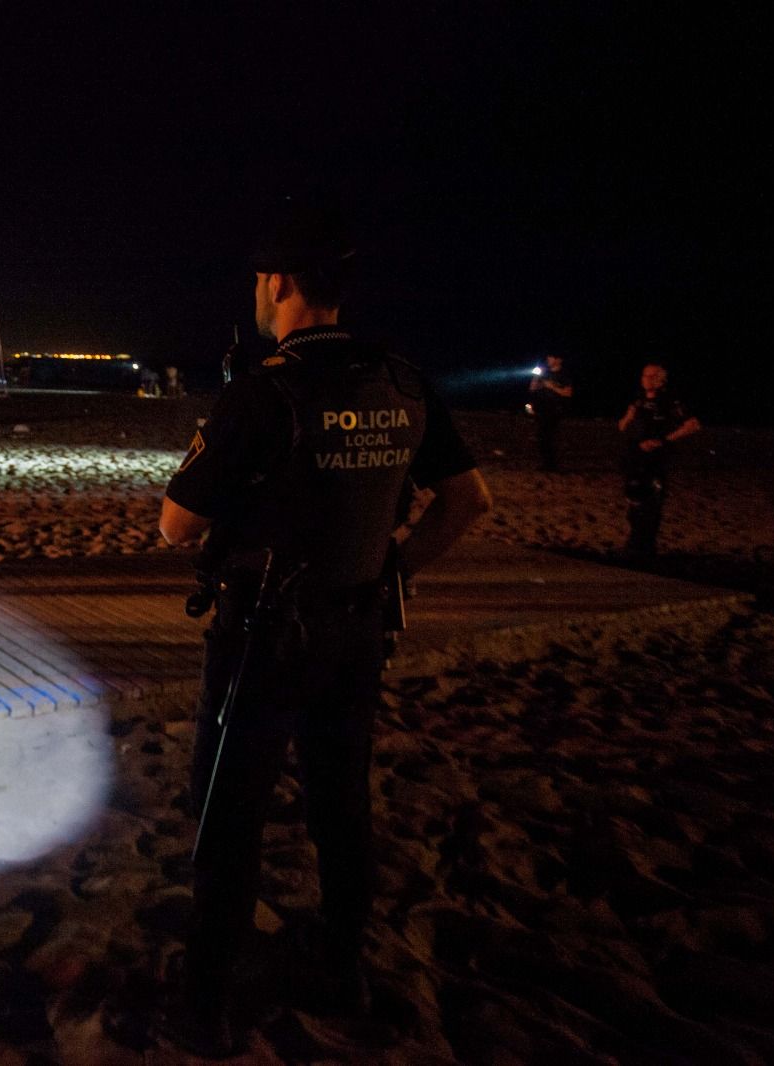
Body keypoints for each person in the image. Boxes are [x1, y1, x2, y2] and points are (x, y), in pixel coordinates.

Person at [155, 199, 492, 1055]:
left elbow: (176, 525)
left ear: (279, 286)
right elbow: (467, 501)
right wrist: (392, 570)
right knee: (341, 804)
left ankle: (208, 997)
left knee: (229, 811)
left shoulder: (263, 392)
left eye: (260, 283)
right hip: (356, 633)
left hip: (264, 636)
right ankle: (343, 965)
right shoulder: (402, 381)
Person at [617, 362, 699, 555]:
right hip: (635, 455)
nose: (648, 379)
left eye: (654, 376)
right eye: (645, 375)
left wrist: (663, 440)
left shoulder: (671, 401)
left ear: (663, 379)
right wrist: (628, 418)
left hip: (657, 457)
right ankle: (634, 542)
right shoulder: (638, 400)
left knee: (652, 500)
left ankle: (647, 544)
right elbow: (622, 426)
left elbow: (693, 425)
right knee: (634, 498)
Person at [527, 353, 572, 471]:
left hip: (555, 410)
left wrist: (552, 387)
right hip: (542, 409)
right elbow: (532, 388)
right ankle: (547, 464)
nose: (548, 359)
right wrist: (536, 377)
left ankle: (552, 464)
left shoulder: (564, 375)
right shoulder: (545, 373)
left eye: (551, 357)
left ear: (559, 360)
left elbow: (568, 393)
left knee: (548, 436)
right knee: (541, 437)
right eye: (548, 357)